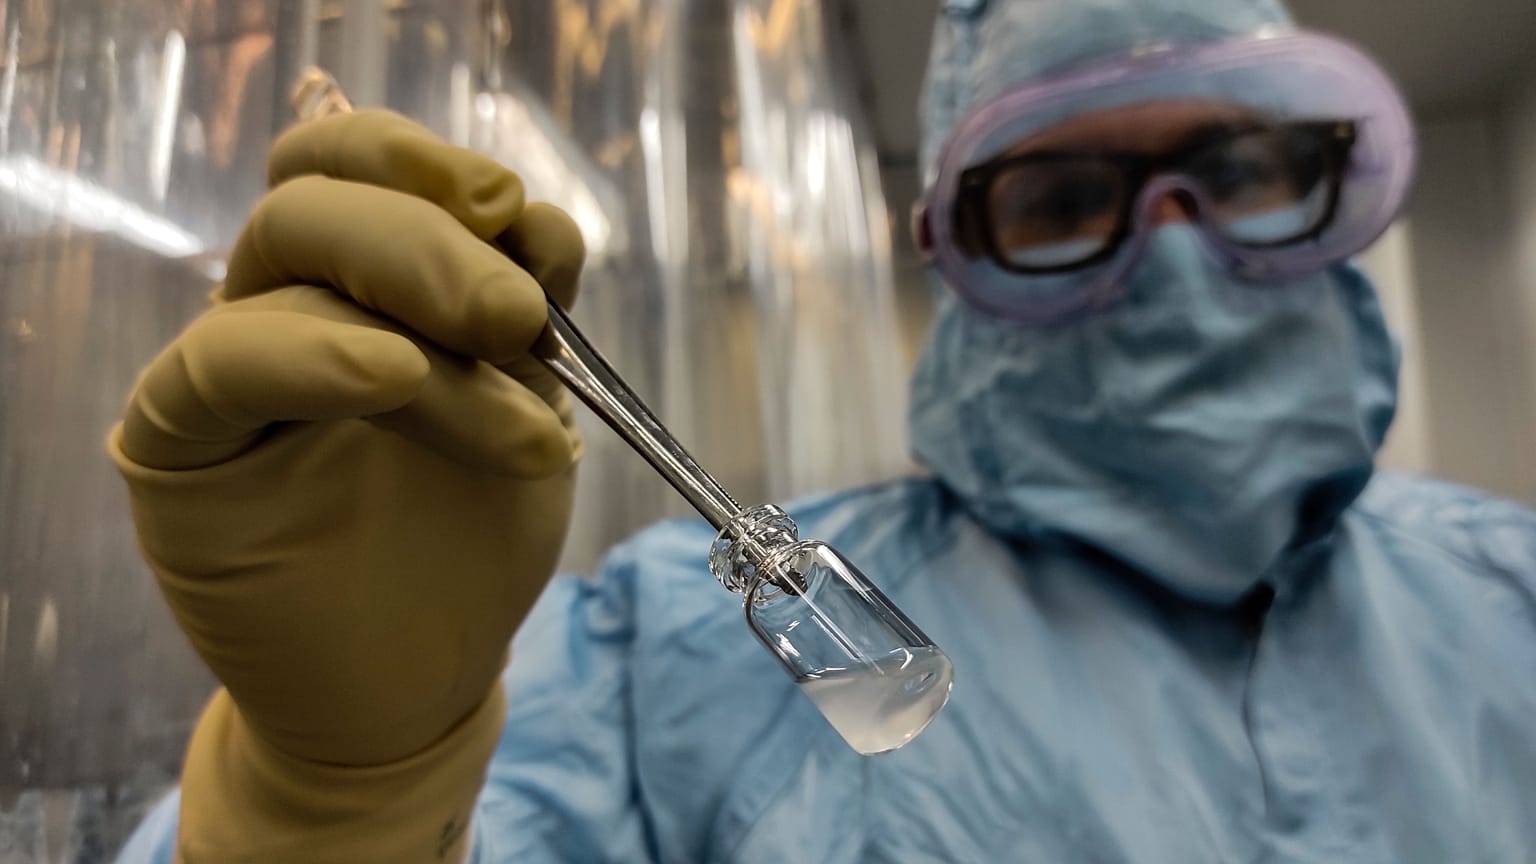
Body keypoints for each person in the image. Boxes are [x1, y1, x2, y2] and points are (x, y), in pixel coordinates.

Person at [113, 0, 1536, 861]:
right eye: (1061, 202)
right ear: (953, 257)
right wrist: (334, 804)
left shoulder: (1512, 599)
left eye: (1242, 169)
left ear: (1336, 189)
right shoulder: (662, 663)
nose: (1170, 258)